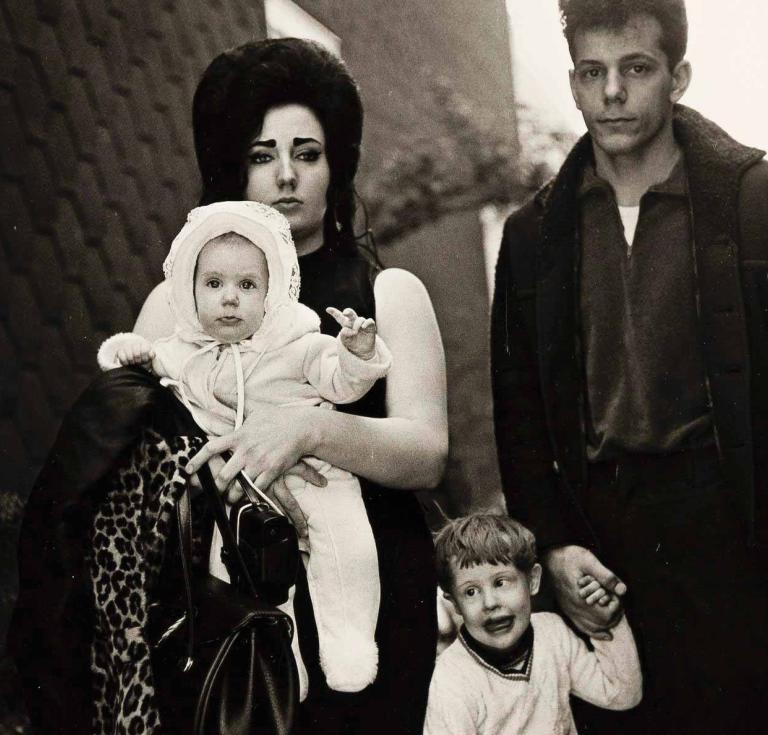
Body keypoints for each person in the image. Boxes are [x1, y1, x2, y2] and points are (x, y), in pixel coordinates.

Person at [134, 38, 448, 734]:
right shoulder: (176, 303)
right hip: (228, 599)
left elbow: (427, 452)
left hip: (375, 592)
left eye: (306, 153)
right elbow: (143, 465)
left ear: (335, 164)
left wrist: (309, 429)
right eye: (260, 154)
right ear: (231, 169)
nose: (285, 175)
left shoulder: (388, 291)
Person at [490, 1, 768, 733]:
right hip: (601, 534)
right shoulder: (532, 236)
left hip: (730, 521)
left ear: (677, 76)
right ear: (575, 82)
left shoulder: (752, 204)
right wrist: (552, 545)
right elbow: (516, 414)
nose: (612, 92)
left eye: (636, 69)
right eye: (593, 72)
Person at [98, 199, 393, 699]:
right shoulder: (182, 352)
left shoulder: (296, 342)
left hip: (312, 475)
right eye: (213, 284)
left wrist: (356, 354)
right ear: (189, 293)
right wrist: (126, 353)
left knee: (348, 547)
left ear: (270, 293)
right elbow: (139, 380)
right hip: (231, 495)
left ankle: (349, 642)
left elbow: (341, 382)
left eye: (247, 285)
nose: (230, 299)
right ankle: (278, 668)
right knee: (237, 579)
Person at [424, 514, 641, 735]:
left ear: (532, 580)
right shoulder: (450, 682)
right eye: (470, 592)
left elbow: (621, 694)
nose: (490, 603)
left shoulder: (552, 633)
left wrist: (607, 619)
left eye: (500, 583)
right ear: (456, 605)